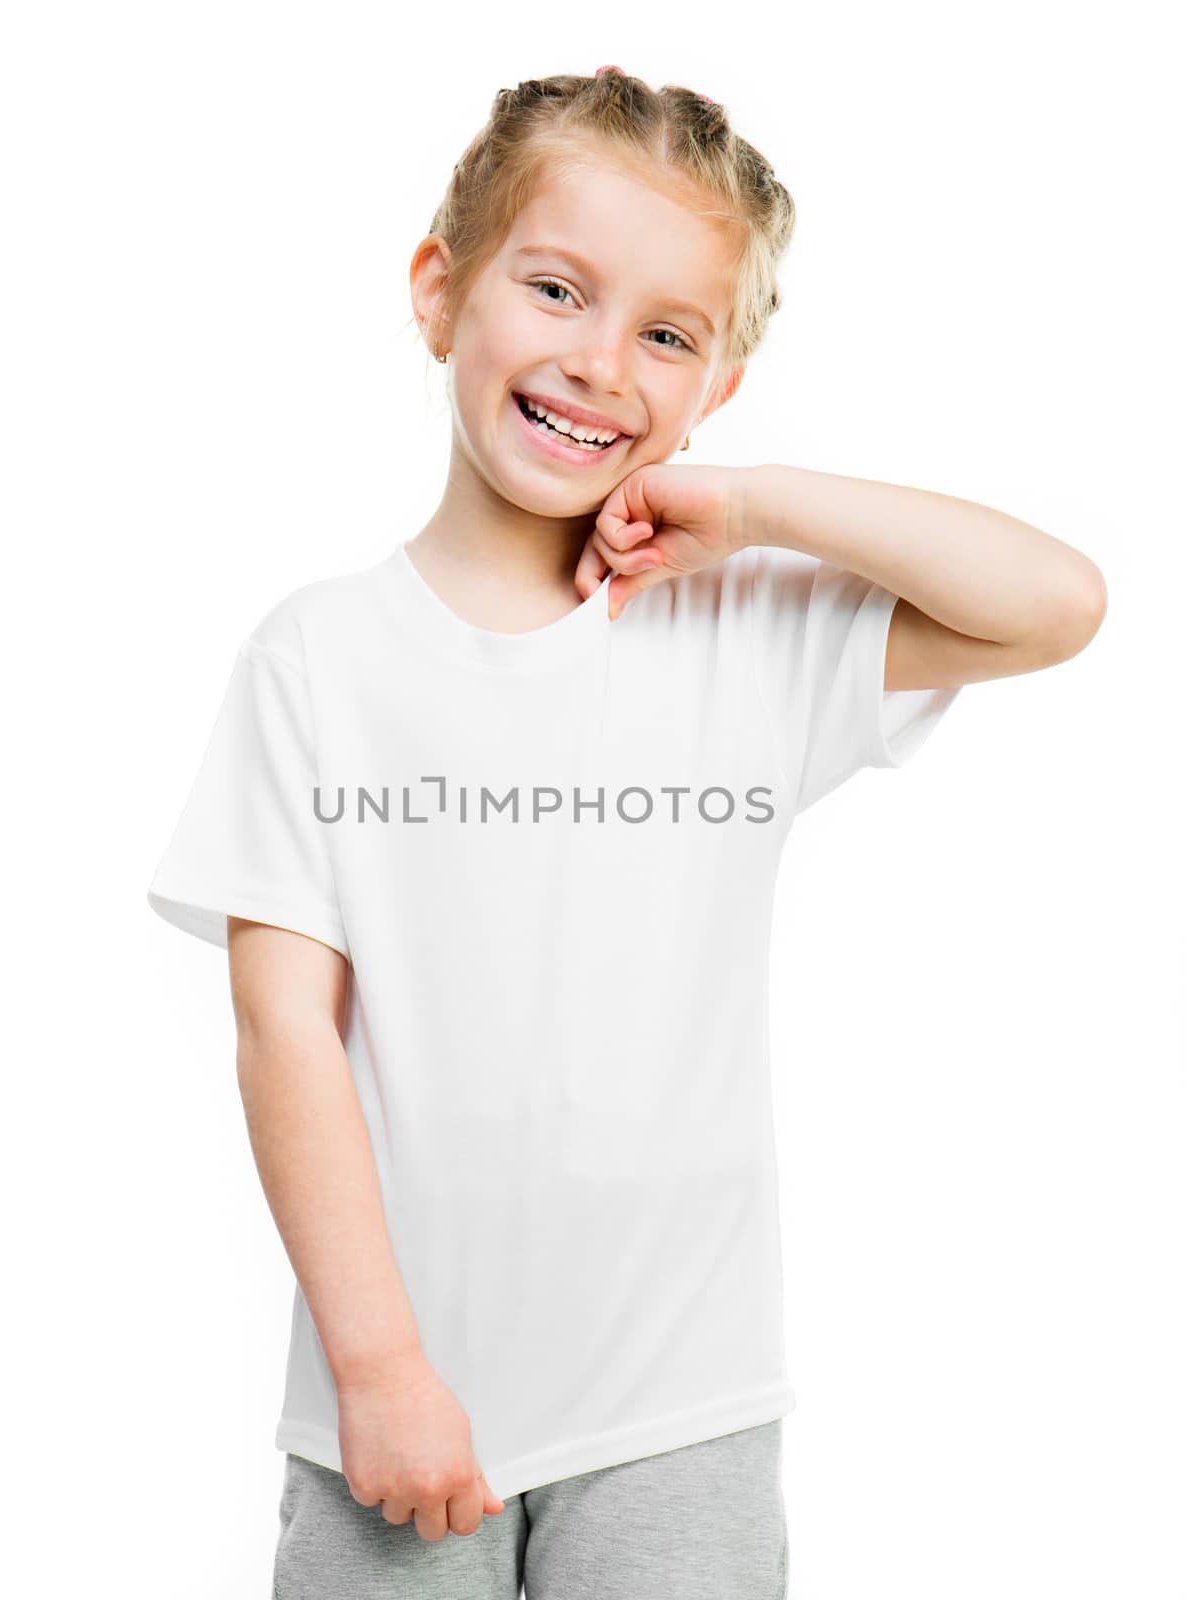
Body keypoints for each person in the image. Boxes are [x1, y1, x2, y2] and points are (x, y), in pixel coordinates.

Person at [145, 66, 1106, 1600]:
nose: (600, 363)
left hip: (678, 1409)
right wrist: (380, 1366)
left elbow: (1053, 604)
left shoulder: (735, 631)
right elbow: (282, 1031)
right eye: (555, 290)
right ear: (438, 290)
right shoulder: (317, 656)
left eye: (667, 334)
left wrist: (757, 504)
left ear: (713, 385)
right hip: (392, 1409)